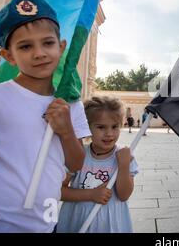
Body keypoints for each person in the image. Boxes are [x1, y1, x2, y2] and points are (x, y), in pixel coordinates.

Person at [0, 0, 90, 232]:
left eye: (47, 43)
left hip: (46, 224)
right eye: (26, 46)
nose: (39, 53)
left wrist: (66, 130)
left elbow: (77, 162)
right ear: (9, 56)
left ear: (61, 47)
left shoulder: (70, 103)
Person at [56, 96, 138, 233]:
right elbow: (58, 191)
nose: (109, 134)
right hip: (77, 221)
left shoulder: (125, 157)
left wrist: (123, 166)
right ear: (87, 127)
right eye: (101, 127)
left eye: (115, 127)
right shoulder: (77, 154)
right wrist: (91, 194)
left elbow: (124, 195)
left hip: (110, 224)